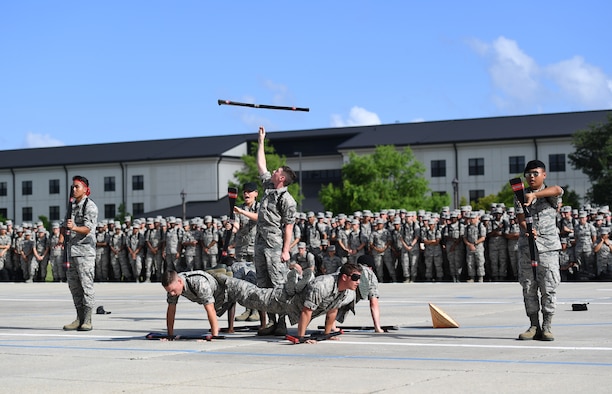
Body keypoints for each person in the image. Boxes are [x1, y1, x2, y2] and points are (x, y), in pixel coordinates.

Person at [218, 262, 361, 342]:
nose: (358, 282)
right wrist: (301, 337)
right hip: (283, 299)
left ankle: (230, 280)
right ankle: (226, 279)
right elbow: (306, 312)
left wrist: (327, 334)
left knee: (251, 297)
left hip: (293, 307)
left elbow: (332, 311)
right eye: (355, 278)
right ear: (344, 277)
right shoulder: (323, 285)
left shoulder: (347, 292)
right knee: (251, 297)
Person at [254, 126, 297, 336]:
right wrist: (261, 140)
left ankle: (282, 322)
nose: (274, 171)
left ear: (282, 178)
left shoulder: (287, 200)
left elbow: (289, 226)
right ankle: (271, 321)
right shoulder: (268, 188)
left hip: (274, 243)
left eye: (277, 171)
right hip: (260, 240)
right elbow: (261, 165)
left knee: (278, 282)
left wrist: (286, 250)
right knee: (263, 283)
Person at [514, 160, 563, 341]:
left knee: (548, 287)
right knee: (528, 287)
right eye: (528, 174)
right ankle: (534, 325)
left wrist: (535, 196)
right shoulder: (520, 194)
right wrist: (527, 229)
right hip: (528, 248)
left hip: (548, 248)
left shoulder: (549, 194)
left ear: (544, 175)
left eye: (535, 173)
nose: (531, 177)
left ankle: (547, 326)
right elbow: (520, 218)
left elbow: (558, 190)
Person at [63, 175, 99, 331]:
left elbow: (87, 229)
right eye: (73, 187)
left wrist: (73, 228)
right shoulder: (71, 206)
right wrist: (61, 234)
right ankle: (79, 317)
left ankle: (88, 319)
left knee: (86, 286)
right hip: (71, 251)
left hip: (85, 252)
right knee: (74, 286)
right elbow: (65, 223)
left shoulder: (90, 207)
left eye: (77, 186)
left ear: (85, 189)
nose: (74, 189)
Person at [161, 270, 233, 339]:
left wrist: (214, 335)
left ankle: (225, 274)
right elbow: (171, 310)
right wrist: (170, 335)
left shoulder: (199, 283)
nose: (172, 293)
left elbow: (210, 308)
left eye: (173, 290)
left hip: (223, 290)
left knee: (236, 294)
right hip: (210, 294)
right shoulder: (173, 285)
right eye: (169, 291)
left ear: (180, 281)